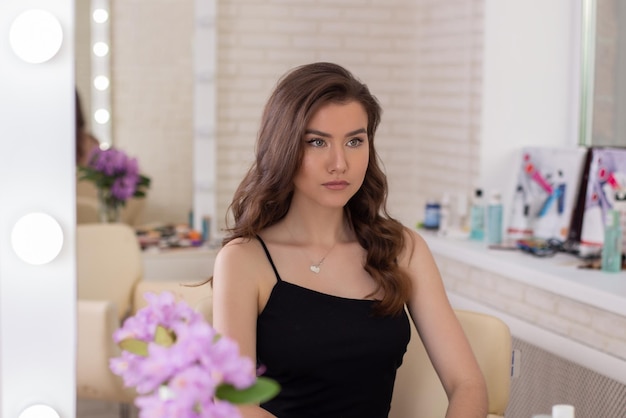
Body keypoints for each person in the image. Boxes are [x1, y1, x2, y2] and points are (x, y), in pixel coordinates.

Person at [211, 62, 488, 418]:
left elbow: (468, 384)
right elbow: (234, 404)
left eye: (355, 141)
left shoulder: (402, 249)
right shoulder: (244, 260)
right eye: (317, 142)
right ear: (283, 148)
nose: (339, 163)